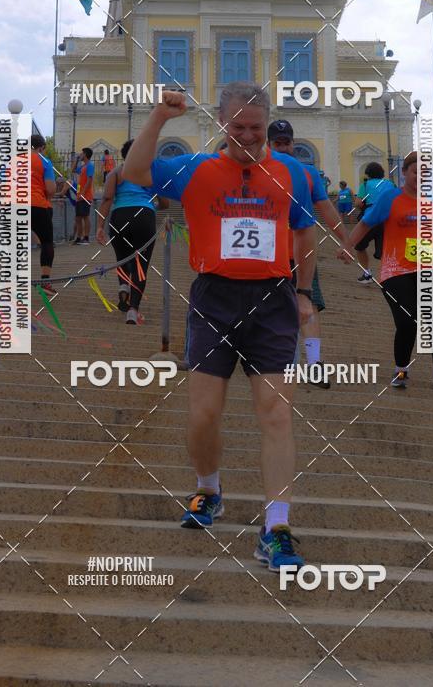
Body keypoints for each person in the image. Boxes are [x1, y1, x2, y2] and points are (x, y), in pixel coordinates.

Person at [123, 82, 317, 572]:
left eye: (256, 128)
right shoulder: (197, 170)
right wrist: (159, 118)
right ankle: (208, 490)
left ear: (266, 125)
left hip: (272, 300)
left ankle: (277, 528)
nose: (248, 137)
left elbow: (303, 229)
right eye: (238, 128)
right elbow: (134, 172)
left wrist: (303, 293)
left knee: (276, 413)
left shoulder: (290, 171)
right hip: (214, 299)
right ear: (222, 125)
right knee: (203, 415)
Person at [340, 151, 433, 396]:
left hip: (429, 267)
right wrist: (348, 245)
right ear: (405, 173)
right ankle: (401, 370)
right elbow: (366, 223)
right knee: (407, 321)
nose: (420, 177)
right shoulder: (391, 197)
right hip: (396, 270)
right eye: (415, 172)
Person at [267, 120, 352, 387]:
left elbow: (326, 208)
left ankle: (314, 363)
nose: (282, 147)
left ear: (293, 143)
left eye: (286, 142)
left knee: (309, 305)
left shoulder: (307, 173)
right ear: (269, 145)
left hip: (300, 251)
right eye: (277, 143)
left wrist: (346, 241)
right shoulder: (257, 169)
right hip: (265, 253)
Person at [97, 140, 169, 324]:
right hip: (144, 217)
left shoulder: (115, 172)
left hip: (119, 216)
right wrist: (153, 205)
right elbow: (165, 203)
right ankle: (133, 311)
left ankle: (123, 287)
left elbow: (106, 198)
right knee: (141, 265)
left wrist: (99, 226)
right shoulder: (150, 173)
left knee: (122, 257)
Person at [354, 162, 396, 284]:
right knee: (385, 250)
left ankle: (367, 273)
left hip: (370, 220)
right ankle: (389, 276)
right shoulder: (390, 184)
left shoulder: (365, 184)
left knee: (359, 246)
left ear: (368, 173)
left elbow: (358, 203)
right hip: (386, 220)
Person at [30, 134, 56, 293]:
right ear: (41, 148)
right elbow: (51, 189)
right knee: (47, 242)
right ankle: (45, 282)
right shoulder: (44, 161)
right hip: (37, 205)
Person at [74, 148, 94, 244]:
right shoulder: (83, 166)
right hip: (79, 196)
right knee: (78, 217)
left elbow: (89, 180)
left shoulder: (90, 165)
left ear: (85, 154)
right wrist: (77, 159)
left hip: (86, 196)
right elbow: (73, 170)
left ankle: (86, 238)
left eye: (82, 153)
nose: (80, 154)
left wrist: (83, 193)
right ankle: (79, 238)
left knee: (85, 216)